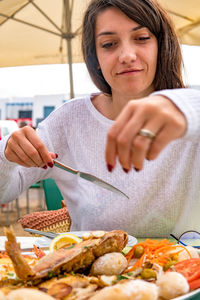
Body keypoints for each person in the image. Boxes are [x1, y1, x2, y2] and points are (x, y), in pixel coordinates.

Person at [0, 0, 200, 238]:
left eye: (142, 38)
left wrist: (186, 108)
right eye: (109, 44)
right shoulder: (70, 120)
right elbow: (5, 192)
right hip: (89, 272)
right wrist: (7, 155)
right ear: (94, 57)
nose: (127, 55)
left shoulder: (189, 116)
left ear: (162, 45)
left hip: (184, 271)